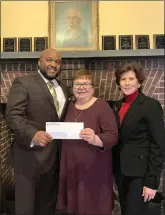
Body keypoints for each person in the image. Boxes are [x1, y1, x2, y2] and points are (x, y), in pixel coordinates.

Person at [5, 48, 70, 215]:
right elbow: (13, 115)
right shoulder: (24, 82)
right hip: (29, 157)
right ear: (39, 62)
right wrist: (32, 134)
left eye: (57, 61)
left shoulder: (64, 87)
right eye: (49, 60)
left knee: (47, 206)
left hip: (53, 158)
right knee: (26, 208)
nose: (53, 64)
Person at [56, 69, 118, 215]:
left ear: (93, 88)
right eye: (77, 84)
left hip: (94, 168)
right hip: (71, 167)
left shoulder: (102, 106)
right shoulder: (68, 106)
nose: (81, 87)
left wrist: (95, 138)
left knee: (93, 206)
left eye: (85, 84)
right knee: (75, 206)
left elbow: (113, 135)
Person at [108, 62, 165, 215]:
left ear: (139, 82)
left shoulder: (150, 105)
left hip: (141, 174)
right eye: (123, 79)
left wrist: (151, 182)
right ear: (118, 83)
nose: (127, 83)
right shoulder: (116, 106)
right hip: (120, 171)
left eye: (131, 79)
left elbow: (158, 145)